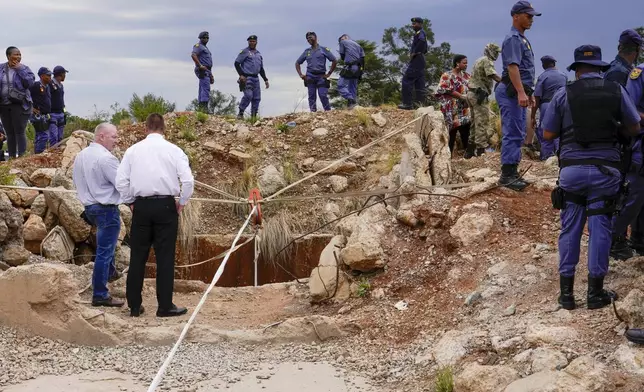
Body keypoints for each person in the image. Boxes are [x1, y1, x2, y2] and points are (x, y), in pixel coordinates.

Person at [543, 45, 641, 311]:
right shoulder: (616, 90)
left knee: (570, 229)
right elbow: (634, 128)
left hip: (572, 173)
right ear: (600, 69)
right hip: (605, 173)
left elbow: (548, 135)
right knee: (600, 229)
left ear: (577, 71)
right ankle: (595, 294)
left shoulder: (564, 93)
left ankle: (566, 295)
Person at [115, 113, 194, 318]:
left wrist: (131, 201)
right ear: (164, 128)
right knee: (165, 257)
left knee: (138, 256)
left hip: (141, 206)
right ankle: (164, 306)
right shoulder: (174, 150)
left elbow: (121, 181)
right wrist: (182, 203)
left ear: (146, 128)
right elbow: (188, 181)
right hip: (166, 206)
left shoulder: (133, 151)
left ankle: (134, 305)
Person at [72, 123, 124, 307]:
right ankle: (100, 294)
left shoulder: (81, 156)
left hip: (89, 208)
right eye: (114, 137)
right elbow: (122, 184)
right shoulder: (106, 158)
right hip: (106, 209)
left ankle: (110, 273)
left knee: (104, 247)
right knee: (104, 251)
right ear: (101, 136)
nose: (116, 141)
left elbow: (76, 181)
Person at [496, 1, 540, 191]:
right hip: (511, 92)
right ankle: (507, 176)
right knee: (513, 133)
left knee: (519, 132)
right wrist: (521, 91)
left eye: (532, 16)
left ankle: (513, 172)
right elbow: (512, 67)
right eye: (528, 15)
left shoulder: (521, 39)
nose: (531, 19)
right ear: (516, 16)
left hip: (518, 92)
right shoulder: (513, 38)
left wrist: (527, 93)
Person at [611, 56, 644, 260]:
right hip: (640, 146)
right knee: (633, 195)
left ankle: (639, 240)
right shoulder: (639, 74)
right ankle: (613, 239)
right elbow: (629, 111)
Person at [465, 43, 502, 159]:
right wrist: (505, 82)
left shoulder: (479, 60)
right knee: (482, 122)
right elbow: (492, 75)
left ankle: (470, 150)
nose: (497, 55)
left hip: (471, 94)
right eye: (495, 52)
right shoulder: (487, 61)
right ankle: (481, 150)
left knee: (474, 123)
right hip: (479, 95)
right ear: (491, 51)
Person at [0, 46, 35, 159]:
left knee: (19, 131)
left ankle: (21, 157)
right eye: (16, 54)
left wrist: (19, 69)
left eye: (20, 54)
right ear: (9, 56)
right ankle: (11, 157)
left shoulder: (24, 69)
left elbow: (29, 83)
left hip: (19, 104)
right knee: (9, 133)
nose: (18, 57)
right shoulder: (1, 68)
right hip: (4, 105)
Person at [531, 56, 568, 161]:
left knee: (545, 131)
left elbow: (537, 97)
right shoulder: (563, 75)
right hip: (563, 104)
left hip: (547, 104)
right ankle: (560, 156)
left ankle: (547, 157)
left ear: (543, 65)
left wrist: (533, 116)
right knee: (560, 131)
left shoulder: (543, 77)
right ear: (554, 64)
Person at [437, 55, 471, 154]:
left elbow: (472, 87)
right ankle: (448, 157)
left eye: (466, 63)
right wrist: (461, 96)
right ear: (457, 63)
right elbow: (443, 89)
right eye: (464, 63)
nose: (466, 65)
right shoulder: (447, 75)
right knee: (451, 132)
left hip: (464, 109)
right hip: (451, 109)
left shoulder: (467, 76)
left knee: (466, 131)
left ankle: (468, 156)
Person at [295, 32, 337, 112]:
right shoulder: (307, 51)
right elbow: (297, 63)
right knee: (311, 96)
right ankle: (313, 112)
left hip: (321, 76)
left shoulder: (324, 49)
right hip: (310, 76)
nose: (309, 39)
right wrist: (301, 74)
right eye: (307, 38)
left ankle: (328, 111)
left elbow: (334, 60)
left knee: (323, 95)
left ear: (316, 37)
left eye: (310, 37)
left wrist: (329, 73)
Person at [235, 35, 269, 120]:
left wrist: (265, 79)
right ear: (248, 42)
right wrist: (241, 75)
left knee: (257, 98)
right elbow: (236, 63)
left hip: (256, 78)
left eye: (253, 41)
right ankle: (241, 112)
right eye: (250, 41)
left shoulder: (258, 54)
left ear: (256, 42)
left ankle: (253, 117)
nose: (252, 42)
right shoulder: (245, 51)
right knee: (248, 95)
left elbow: (261, 68)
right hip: (247, 77)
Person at [398, 17, 428, 110]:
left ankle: (407, 104)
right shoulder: (420, 33)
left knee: (407, 80)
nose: (413, 25)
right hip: (421, 59)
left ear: (420, 24)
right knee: (419, 83)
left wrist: (415, 52)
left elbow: (422, 42)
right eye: (412, 24)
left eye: (415, 24)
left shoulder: (421, 33)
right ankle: (420, 105)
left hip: (417, 59)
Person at [337, 34, 365, 109]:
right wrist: (361, 73)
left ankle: (350, 99)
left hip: (349, 67)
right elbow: (362, 59)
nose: (341, 40)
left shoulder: (342, 42)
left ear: (345, 38)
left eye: (341, 39)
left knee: (340, 85)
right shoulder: (358, 45)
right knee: (352, 87)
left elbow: (342, 56)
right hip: (358, 68)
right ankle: (352, 106)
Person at [29, 67, 53, 154]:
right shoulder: (35, 85)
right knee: (44, 135)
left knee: (40, 135)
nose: (50, 77)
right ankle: (39, 154)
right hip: (38, 115)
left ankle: (37, 154)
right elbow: (26, 95)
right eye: (48, 75)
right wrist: (31, 108)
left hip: (45, 115)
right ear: (42, 76)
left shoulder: (47, 87)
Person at [191, 31, 214, 112]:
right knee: (205, 88)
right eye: (204, 38)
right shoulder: (198, 46)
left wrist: (211, 75)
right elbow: (193, 55)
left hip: (207, 70)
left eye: (207, 38)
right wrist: (200, 65)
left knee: (202, 87)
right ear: (200, 38)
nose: (206, 39)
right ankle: (204, 108)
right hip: (202, 69)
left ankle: (201, 108)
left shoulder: (205, 47)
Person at [50, 65, 69, 145]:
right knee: (53, 136)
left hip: (60, 113)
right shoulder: (50, 84)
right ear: (61, 74)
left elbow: (62, 100)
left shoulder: (61, 86)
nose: (65, 76)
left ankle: (57, 153)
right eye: (64, 74)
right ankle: (52, 153)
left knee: (60, 137)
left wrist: (64, 112)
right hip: (52, 113)